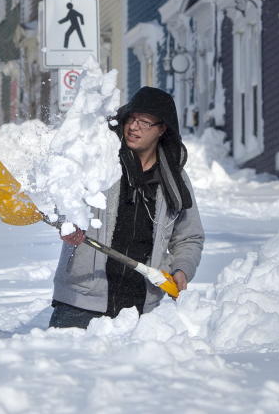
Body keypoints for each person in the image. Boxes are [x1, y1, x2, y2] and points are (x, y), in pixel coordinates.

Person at [49, 86, 205, 329]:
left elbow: (189, 236)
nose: (133, 127)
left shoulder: (174, 179)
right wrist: (67, 223)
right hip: (81, 300)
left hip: (140, 309)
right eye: (131, 118)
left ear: (162, 129)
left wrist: (182, 269)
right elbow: (64, 198)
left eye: (144, 122)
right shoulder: (100, 160)